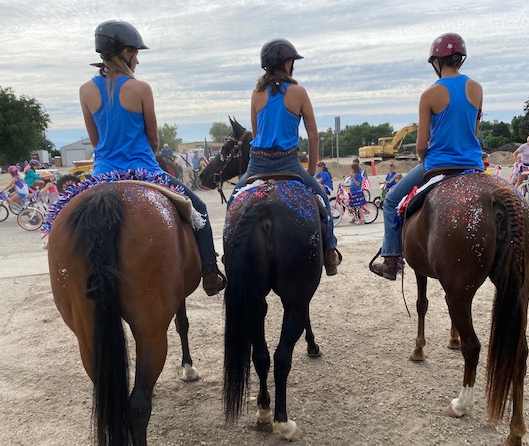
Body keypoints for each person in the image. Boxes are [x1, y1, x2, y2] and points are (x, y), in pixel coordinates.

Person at [79, 20, 225, 295]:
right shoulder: (141, 89)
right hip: (144, 171)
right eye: (135, 52)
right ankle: (209, 271)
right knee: (199, 209)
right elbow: (154, 140)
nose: (137, 59)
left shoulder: (86, 90)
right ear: (125, 52)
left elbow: (96, 142)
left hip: (103, 174)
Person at [370, 32, 484, 280]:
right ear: (460, 59)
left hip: (439, 164)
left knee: (390, 200)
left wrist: (423, 157)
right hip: (473, 165)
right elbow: (474, 132)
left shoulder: (429, 94)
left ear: (436, 62)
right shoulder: (476, 88)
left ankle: (390, 261)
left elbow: (421, 145)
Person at [228, 38, 341, 275]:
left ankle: (229, 255)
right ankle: (330, 250)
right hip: (289, 163)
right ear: (287, 63)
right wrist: (310, 171)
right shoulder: (298, 92)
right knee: (321, 202)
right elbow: (313, 135)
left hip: (257, 163)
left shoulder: (257, 93)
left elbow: (256, 133)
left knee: (234, 201)